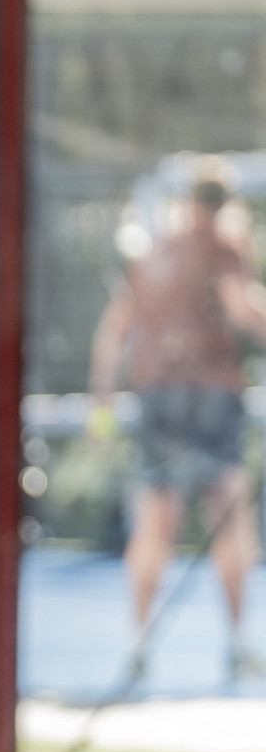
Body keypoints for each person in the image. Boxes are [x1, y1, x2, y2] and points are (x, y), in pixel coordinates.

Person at [90, 164, 266, 681]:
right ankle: (237, 645)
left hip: (156, 393)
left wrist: (102, 402)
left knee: (154, 522)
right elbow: (242, 308)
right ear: (224, 205)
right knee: (229, 516)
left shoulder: (151, 254)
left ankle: (138, 644)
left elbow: (114, 332)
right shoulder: (222, 248)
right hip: (209, 392)